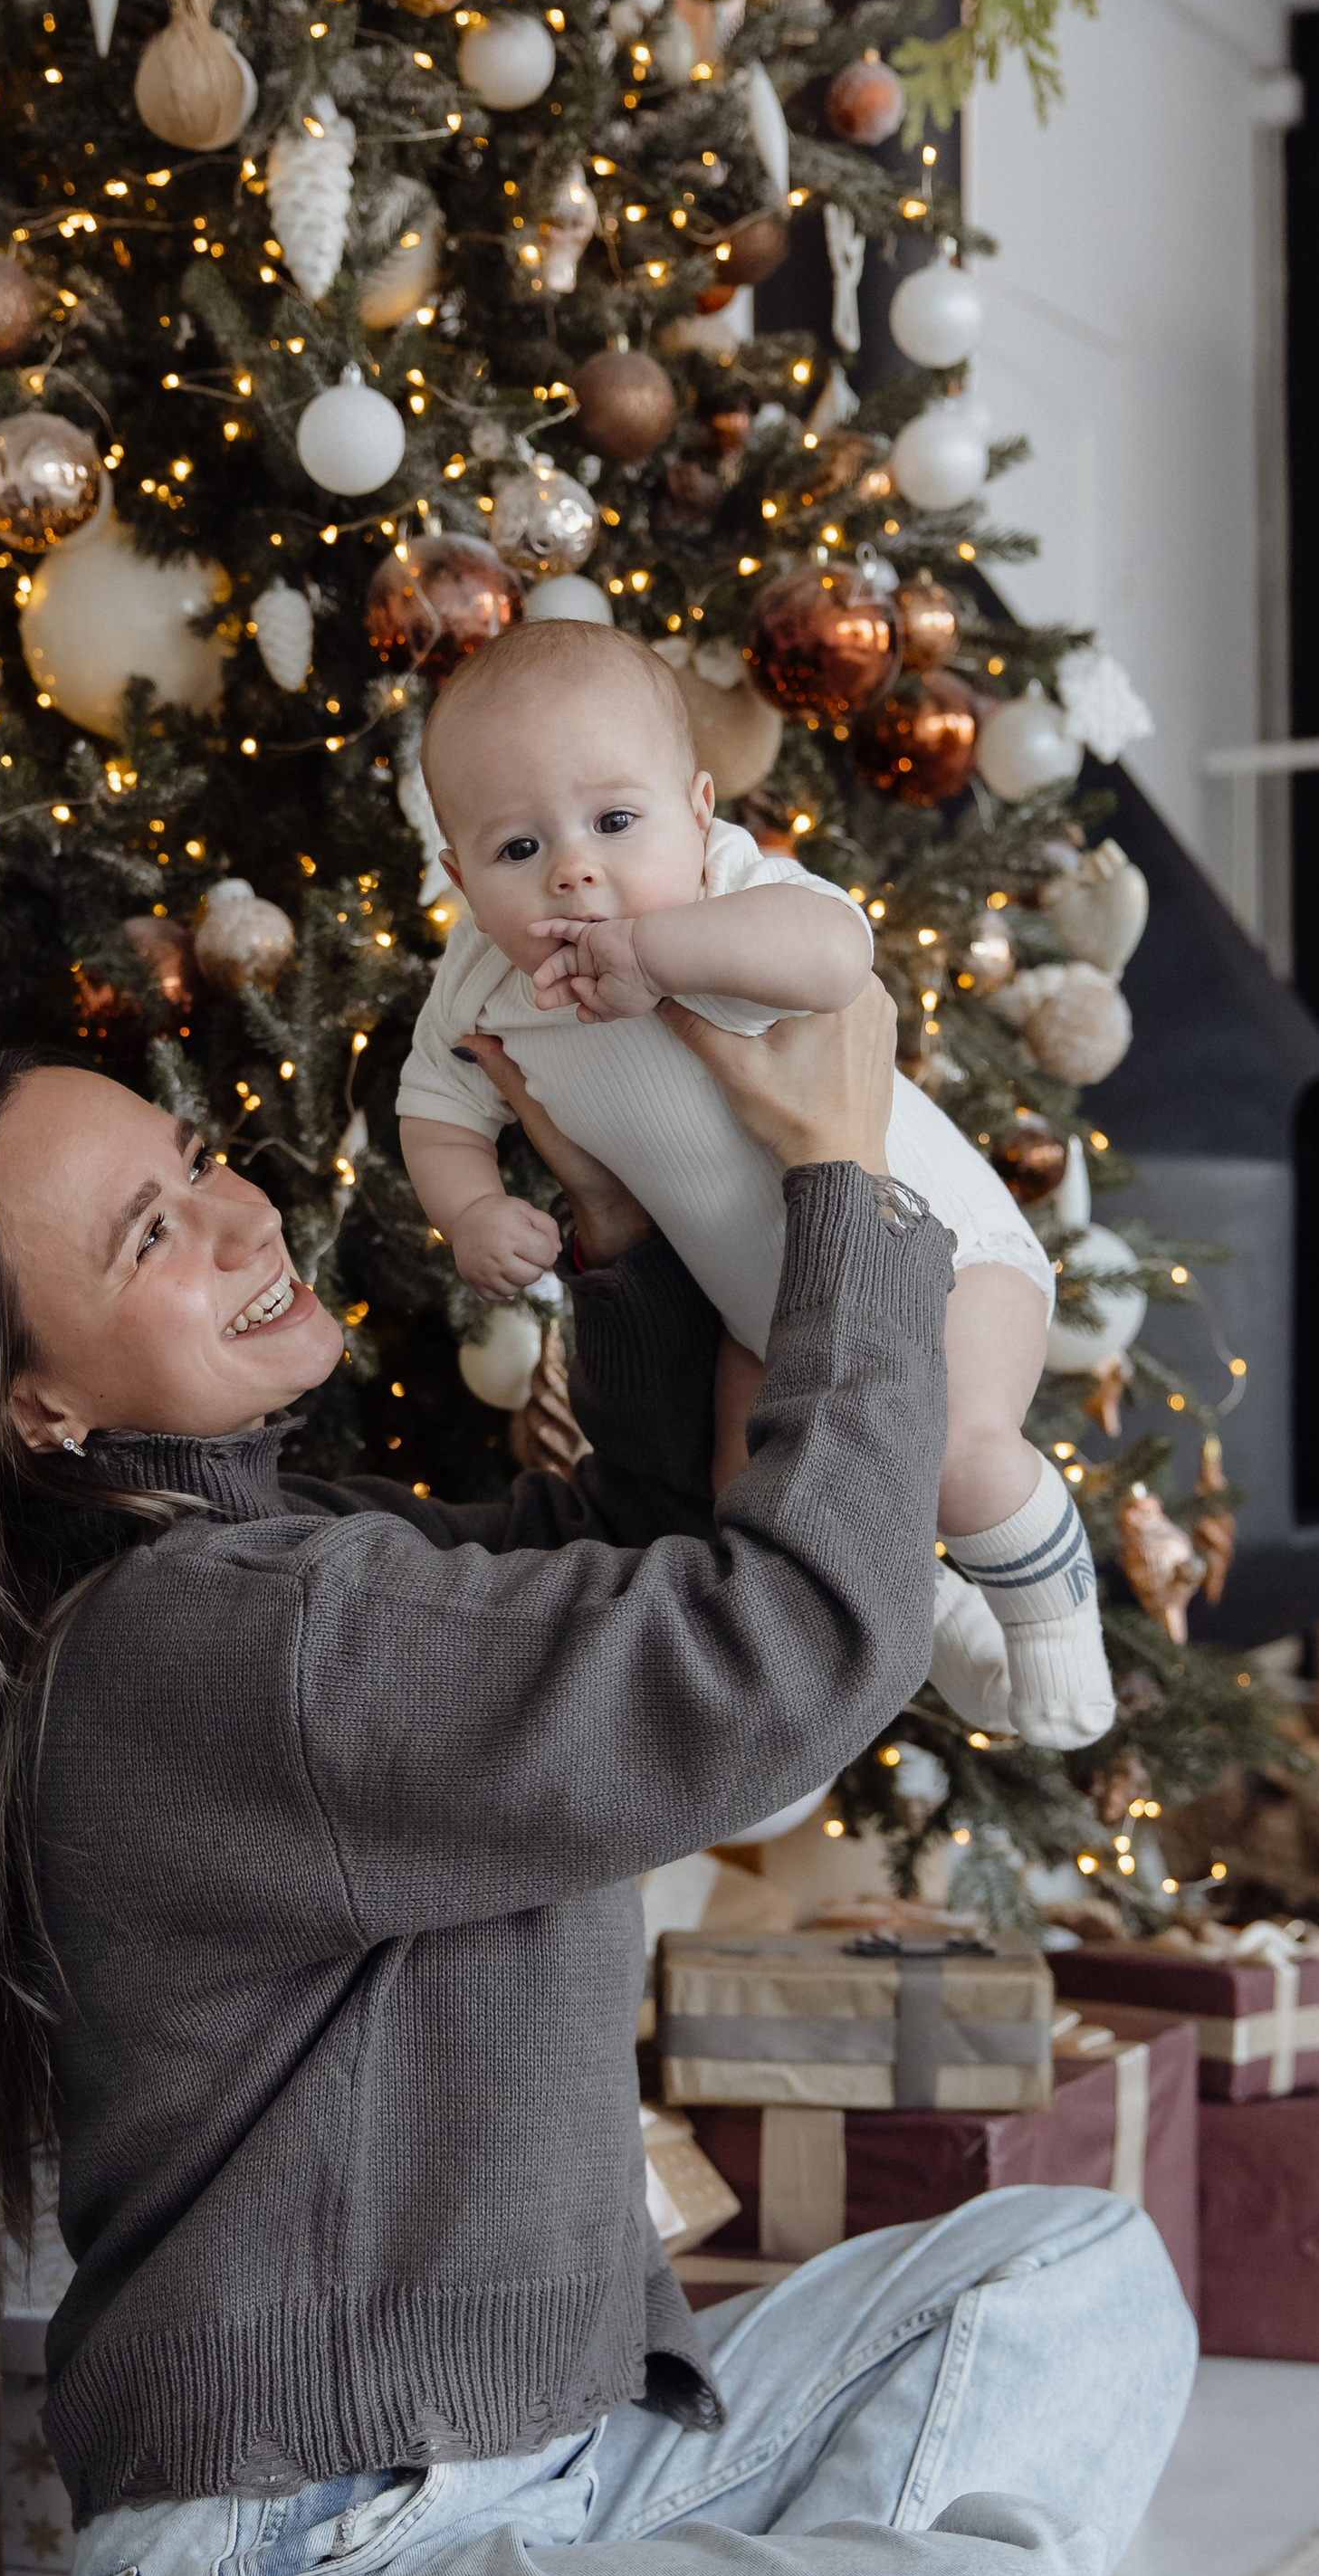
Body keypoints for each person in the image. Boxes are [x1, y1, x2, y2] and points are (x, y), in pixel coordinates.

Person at [0, 972, 1193, 2576]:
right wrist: (841, 1190)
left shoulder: (288, 1559)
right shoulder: (210, 1645)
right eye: (148, 1235)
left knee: (1078, 2279)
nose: (241, 1214)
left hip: (567, 2460)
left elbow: (610, 1554)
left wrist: (615, 1232)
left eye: (191, 1166)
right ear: (37, 1405)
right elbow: (757, 1658)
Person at [397, 617, 1114, 1751]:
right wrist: (473, 1206)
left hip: (935, 1247)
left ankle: (1051, 1612)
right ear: (458, 877)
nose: (574, 867)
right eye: (516, 851)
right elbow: (435, 1109)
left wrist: (658, 956)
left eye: (615, 822)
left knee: (949, 1451)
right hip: (762, 1318)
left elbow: (838, 957)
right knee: (770, 1515)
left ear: (696, 810)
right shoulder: (482, 980)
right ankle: (944, 1633)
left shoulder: (727, 889)